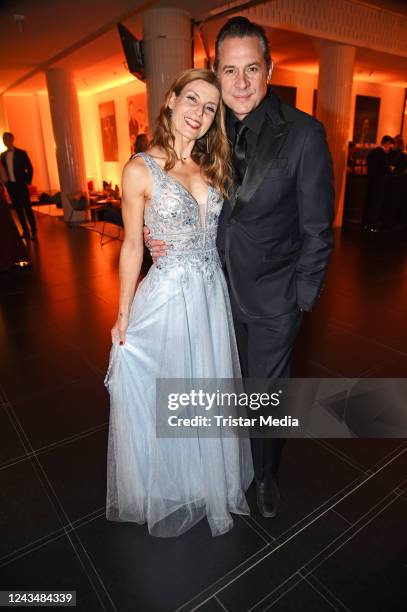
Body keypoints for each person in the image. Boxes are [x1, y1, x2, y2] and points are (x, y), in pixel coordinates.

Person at [146, 17, 334, 519]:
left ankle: (266, 474)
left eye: (252, 69)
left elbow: (319, 228)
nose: (242, 82)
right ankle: (229, 465)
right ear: (218, 74)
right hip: (211, 291)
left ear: (269, 69)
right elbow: (172, 186)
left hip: (275, 297)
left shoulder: (303, 134)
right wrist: (157, 233)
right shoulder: (207, 129)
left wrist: (302, 297)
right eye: (230, 71)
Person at [104, 68, 254, 537]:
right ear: (170, 101)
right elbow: (131, 245)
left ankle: (202, 476)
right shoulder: (139, 168)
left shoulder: (214, 165)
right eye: (192, 100)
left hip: (211, 293)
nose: (200, 113)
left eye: (210, 107)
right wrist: (123, 314)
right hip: (168, 294)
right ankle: (168, 477)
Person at [1, 132, 37, 240]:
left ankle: (33, 229)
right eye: (3, 139)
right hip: (11, 186)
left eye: (6, 138)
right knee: (18, 209)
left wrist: (27, 181)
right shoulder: (2, 155)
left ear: (12, 139)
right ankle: (25, 230)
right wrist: (5, 184)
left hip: (21, 184)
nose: (5, 141)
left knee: (27, 207)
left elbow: (29, 168)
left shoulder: (21, 153)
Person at [363, 134, 395, 231]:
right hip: (379, 184)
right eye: (390, 145)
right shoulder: (382, 154)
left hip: (370, 182)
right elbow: (384, 168)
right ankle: (373, 225)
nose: (390, 148)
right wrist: (390, 169)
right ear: (387, 143)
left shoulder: (373, 152)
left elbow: (368, 163)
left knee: (369, 203)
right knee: (376, 204)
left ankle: (366, 224)